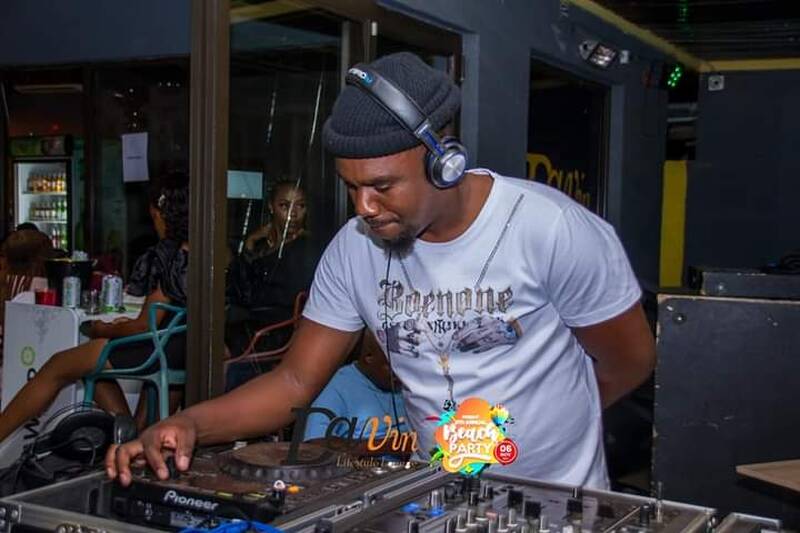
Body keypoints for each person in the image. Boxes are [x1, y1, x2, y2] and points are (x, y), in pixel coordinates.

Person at [108, 52, 655, 488]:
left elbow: (630, 360)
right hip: (436, 498)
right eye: (352, 187)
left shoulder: (550, 229)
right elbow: (294, 381)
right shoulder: (355, 249)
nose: (364, 207)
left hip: (556, 504)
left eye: (382, 186)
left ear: (444, 163)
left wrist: (550, 425)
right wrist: (190, 422)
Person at [0, 172, 190, 441]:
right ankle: (129, 433)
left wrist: (104, 329)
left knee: (58, 365)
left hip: (157, 348)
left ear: (163, 215)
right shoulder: (210, 253)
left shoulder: (170, 258)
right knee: (89, 363)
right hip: (184, 348)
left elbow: (142, 326)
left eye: (154, 217)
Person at [225, 180, 320, 375]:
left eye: (301, 206)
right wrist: (250, 244)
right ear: (271, 207)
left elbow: (261, 298)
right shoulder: (264, 246)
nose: (293, 214)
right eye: (284, 206)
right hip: (255, 330)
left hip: (276, 334)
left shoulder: (306, 249)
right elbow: (238, 289)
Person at [302, 331, 408, 447]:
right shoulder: (337, 386)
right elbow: (316, 442)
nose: (403, 375)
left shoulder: (411, 382)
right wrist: (390, 446)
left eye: (407, 367)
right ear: (369, 357)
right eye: (394, 367)